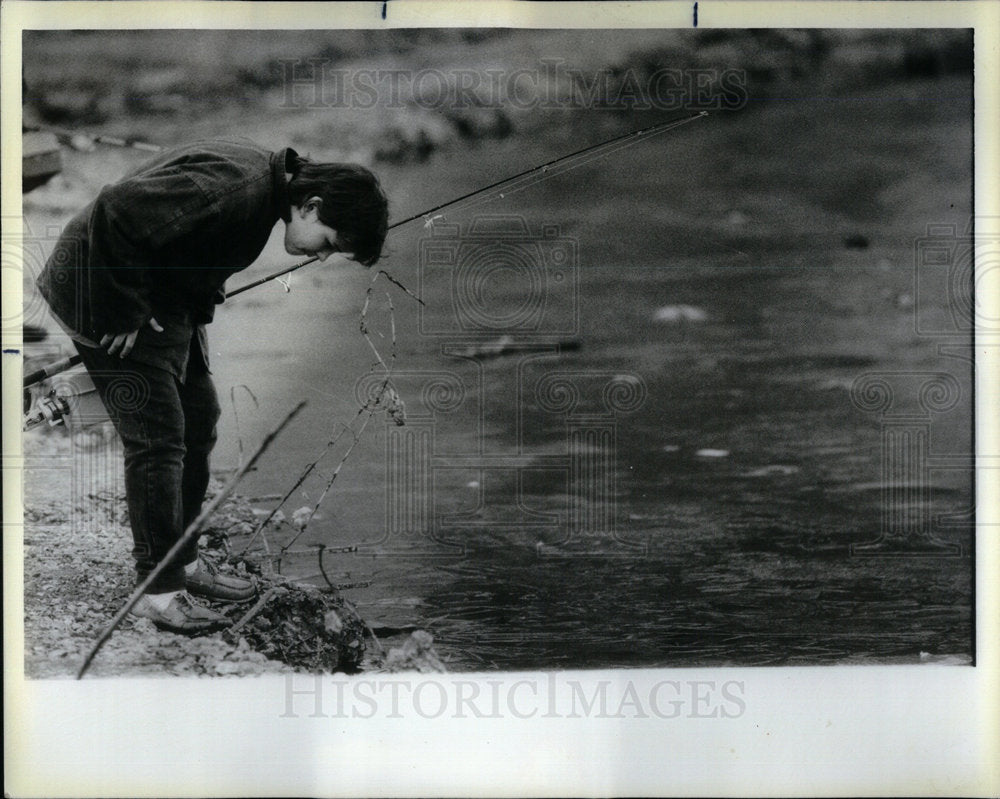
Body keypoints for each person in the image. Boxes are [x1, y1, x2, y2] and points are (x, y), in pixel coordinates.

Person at [37, 137, 389, 634]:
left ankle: (183, 562)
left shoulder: (264, 192)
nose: (322, 257)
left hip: (159, 298)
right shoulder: (234, 190)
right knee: (157, 440)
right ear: (312, 206)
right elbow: (115, 211)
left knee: (199, 424)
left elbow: (184, 238)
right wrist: (124, 310)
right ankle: (157, 593)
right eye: (330, 243)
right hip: (101, 290)